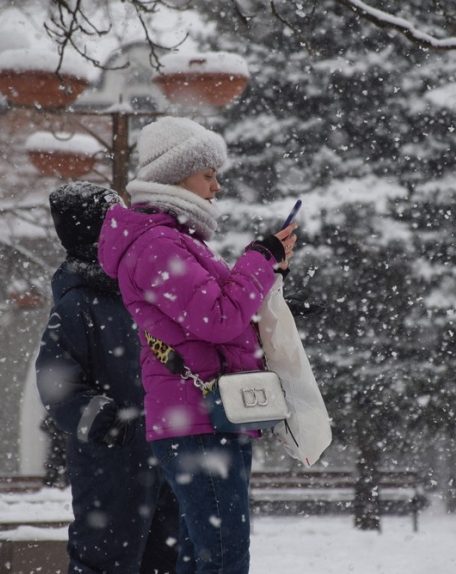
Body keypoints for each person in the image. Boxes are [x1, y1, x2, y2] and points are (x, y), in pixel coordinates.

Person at [98, 116, 296, 574]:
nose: (217, 187)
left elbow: (218, 312)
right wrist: (259, 258)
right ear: (175, 175)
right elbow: (220, 319)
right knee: (223, 560)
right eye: (208, 174)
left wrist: (270, 270)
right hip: (200, 421)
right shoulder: (157, 244)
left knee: (204, 557)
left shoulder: (172, 241)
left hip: (203, 417)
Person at [36, 182, 181, 574]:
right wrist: (107, 422)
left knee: (169, 559)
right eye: (117, 220)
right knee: (104, 559)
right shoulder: (77, 304)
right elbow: (57, 382)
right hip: (112, 462)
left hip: (165, 449)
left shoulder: (143, 288)